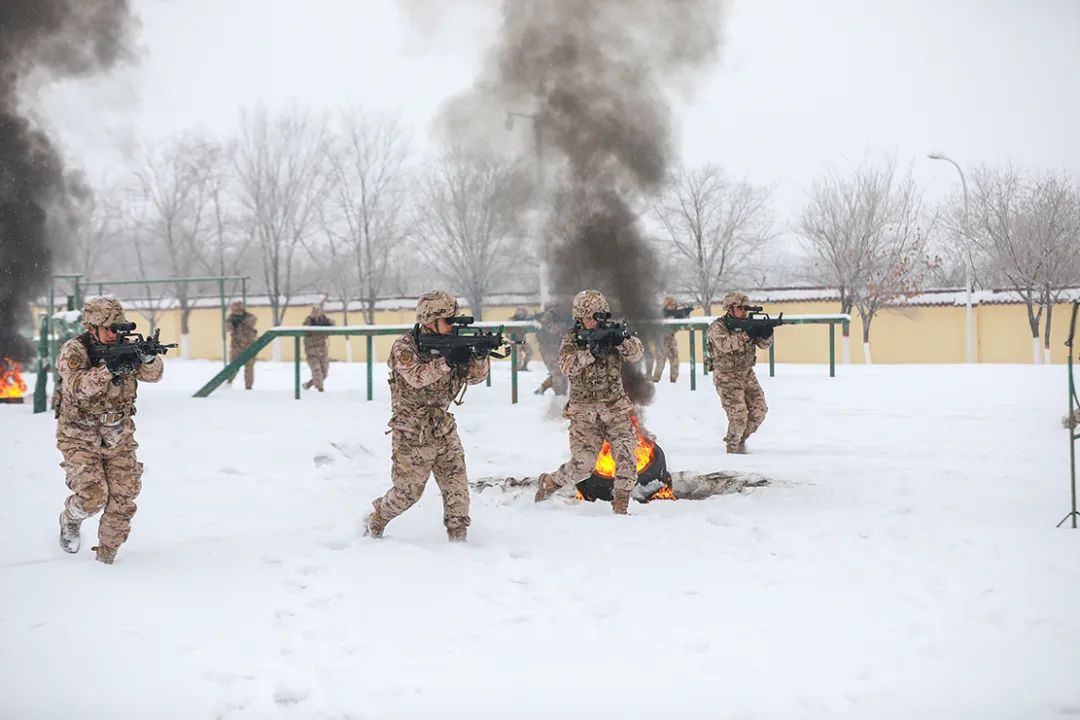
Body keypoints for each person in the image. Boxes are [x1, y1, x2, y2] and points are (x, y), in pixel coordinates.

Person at [364, 291, 490, 542]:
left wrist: (478, 356)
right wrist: (447, 362)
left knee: (457, 490)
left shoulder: (455, 342)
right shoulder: (405, 347)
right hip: (412, 431)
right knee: (407, 493)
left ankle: (458, 539)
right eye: (448, 321)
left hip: (443, 427)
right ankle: (377, 519)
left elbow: (476, 378)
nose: (453, 326)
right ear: (429, 320)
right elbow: (417, 378)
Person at [55, 296, 164, 564]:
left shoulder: (125, 347)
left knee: (124, 497)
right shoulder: (74, 351)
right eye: (107, 329)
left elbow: (154, 375)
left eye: (117, 328)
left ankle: (106, 558)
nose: (113, 334)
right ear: (91, 327)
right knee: (93, 496)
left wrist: (148, 359)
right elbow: (77, 388)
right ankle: (71, 517)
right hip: (79, 435)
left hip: (119, 434)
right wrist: (108, 370)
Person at [534, 290, 645, 515]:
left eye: (598, 316)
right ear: (579, 319)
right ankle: (550, 482)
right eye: (588, 317)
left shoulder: (614, 332)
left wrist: (622, 341)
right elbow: (565, 366)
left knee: (627, 458)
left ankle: (621, 507)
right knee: (582, 466)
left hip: (615, 408)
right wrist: (591, 352)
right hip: (584, 413)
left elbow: (637, 354)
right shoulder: (571, 340)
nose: (593, 322)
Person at [707, 291, 773, 454]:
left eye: (746, 308)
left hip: (747, 374)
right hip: (726, 376)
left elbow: (763, 345)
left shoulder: (748, 324)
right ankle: (732, 450)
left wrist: (766, 334)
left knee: (759, 411)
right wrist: (746, 334)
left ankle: (739, 440)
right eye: (740, 308)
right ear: (730, 309)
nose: (744, 312)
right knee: (738, 416)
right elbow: (725, 345)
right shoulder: (718, 327)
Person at [534, 303, 569, 396]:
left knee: (563, 372)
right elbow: (552, 329)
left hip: (559, 348)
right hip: (548, 348)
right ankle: (559, 394)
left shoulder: (565, 315)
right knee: (557, 373)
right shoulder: (548, 316)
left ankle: (546, 388)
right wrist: (566, 327)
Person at [302, 303, 334, 391]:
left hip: (322, 350)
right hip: (311, 350)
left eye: (318, 311)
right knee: (316, 370)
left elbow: (333, 325)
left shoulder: (324, 320)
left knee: (324, 373)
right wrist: (311, 318)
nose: (316, 313)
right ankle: (320, 389)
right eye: (314, 311)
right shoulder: (308, 321)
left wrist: (327, 320)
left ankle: (308, 385)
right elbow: (304, 327)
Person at [226, 301, 258, 390]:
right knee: (233, 367)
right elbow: (227, 328)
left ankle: (249, 387)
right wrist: (232, 323)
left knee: (249, 368)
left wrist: (242, 321)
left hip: (249, 345)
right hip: (236, 346)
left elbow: (253, 321)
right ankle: (228, 383)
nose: (236, 313)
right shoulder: (231, 318)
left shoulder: (249, 316)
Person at [651, 296, 681, 384]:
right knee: (660, 361)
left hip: (671, 340)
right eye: (671, 305)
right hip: (661, 340)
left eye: (674, 305)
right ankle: (656, 379)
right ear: (667, 305)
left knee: (675, 361)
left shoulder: (675, 314)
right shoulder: (661, 315)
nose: (673, 306)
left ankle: (673, 379)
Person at [509, 306, 534, 372]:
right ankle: (517, 368)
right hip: (515, 341)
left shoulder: (525, 319)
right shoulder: (512, 320)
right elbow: (507, 332)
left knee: (529, 352)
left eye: (524, 312)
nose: (523, 313)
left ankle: (524, 366)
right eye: (522, 312)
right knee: (517, 356)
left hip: (523, 340)